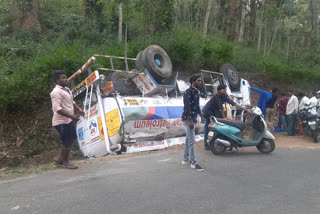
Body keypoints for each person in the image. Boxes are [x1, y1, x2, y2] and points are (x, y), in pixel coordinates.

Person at [51, 70, 84, 169]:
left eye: (66, 77)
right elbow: (57, 108)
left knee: (72, 138)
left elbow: (71, 101)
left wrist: (78, 109)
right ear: (57, 80)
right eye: (63, 78)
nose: (65, 79)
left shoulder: (67, 89)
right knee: (67, 141)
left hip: (67, 120)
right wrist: (72, 116)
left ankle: (58, 160)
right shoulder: (56, 92)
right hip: (61, 121)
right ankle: (65, 162)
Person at [202, 85, 251, 150]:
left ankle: (216, 142)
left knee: (216, 126)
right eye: (223, 89)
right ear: (219, 90)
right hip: (208, 111)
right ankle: (207, 144)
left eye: (225, 89)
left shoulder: (225, 96)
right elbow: (221, 109)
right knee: (210, 127)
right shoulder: (217, 96)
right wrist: (224, 118)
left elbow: (234, 104)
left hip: (214, 112)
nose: (225, 90)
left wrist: (245, 109)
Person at [181, 74, 205, 171]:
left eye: (200, 81)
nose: (200, 82)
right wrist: (190, 120)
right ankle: (193, 163)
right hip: (188, 118)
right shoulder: (188, 92)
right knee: (192, 140)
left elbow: (197, 105)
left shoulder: (196, 92)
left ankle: (185, 159)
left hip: (193, 118)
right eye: (198, 81)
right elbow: (187, 107)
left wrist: (201, 116)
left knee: (188, 139)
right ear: (193, 82)